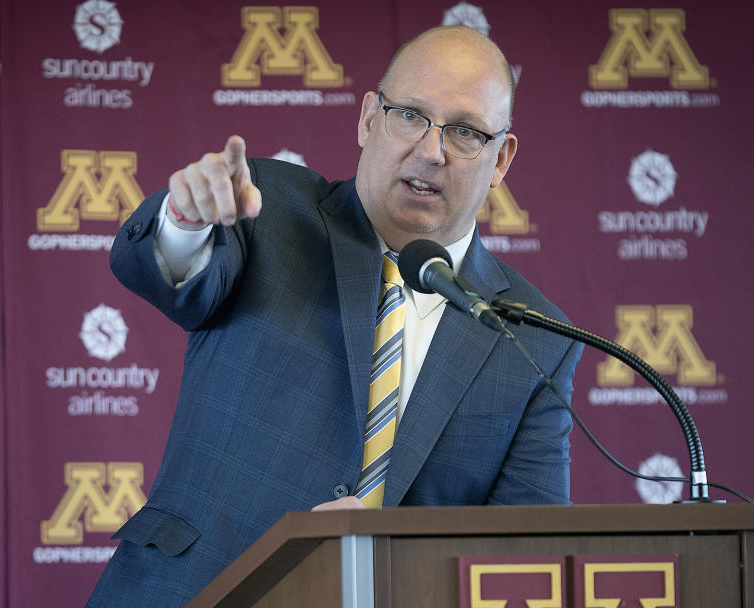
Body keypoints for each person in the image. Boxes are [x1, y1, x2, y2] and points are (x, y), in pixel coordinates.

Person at [86, 26, 583, 607]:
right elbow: (164, 272)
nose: (429, 150)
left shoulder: (532, 337)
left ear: (500, 159)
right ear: (369, 119)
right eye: (409, 115)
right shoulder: (268, 209)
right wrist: (185, 222)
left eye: (466, 132)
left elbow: (524, 559)